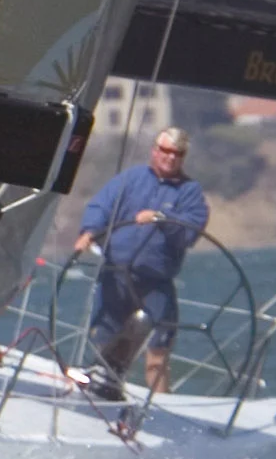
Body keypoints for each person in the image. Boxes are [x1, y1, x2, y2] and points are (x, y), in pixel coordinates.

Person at [73, 126, 209, 396]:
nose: (171, 158)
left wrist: (161, 218)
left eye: (178, 154)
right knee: (103, 338)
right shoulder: (131, 178)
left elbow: (191, 231)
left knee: (157, 353)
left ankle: (161, 407)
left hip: (155, 283)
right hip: (115, 275)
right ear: (155, 151)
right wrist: (89, 232)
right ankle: (98, 393)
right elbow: (102, 205)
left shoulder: (190, 191)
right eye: (166, 151)